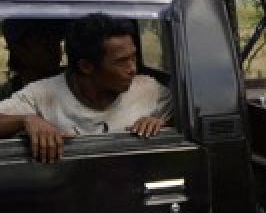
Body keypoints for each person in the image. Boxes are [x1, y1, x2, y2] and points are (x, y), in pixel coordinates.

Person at [0, 13, 171, 162]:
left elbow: (190, 120)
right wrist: (26, 120)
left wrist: (161, 124)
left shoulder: (149, 89)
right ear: (86, 66)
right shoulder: (41, 95)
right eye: (121, 61)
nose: (132, 68)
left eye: (133, 57)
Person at [0, 18, 65, 98]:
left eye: (57, 39)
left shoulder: (75, 84)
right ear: (19, 49)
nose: (54, 46)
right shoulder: (5, 98)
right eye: (45, 40)